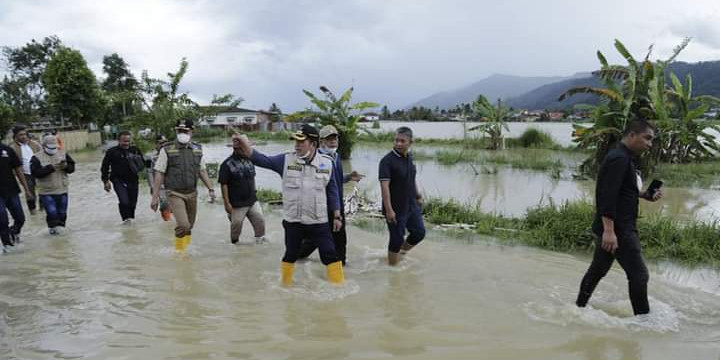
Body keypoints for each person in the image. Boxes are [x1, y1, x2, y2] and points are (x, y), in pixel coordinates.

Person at [235, 124, 345, 285]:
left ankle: (339, 288)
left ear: (313, 144)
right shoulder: (286, 160)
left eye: (301, 141)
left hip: (318, 221)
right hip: (294, 221)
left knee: (330, 254)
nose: (297, 145)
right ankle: (286, 288)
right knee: (291, 254)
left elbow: (332, 190)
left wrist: (336, 215)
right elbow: (261, 159)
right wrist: (244, 143)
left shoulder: (327, 163)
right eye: (295, 141)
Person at [576, 120, 663, 316]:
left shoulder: (624, 157)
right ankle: (644, 322)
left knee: (598, 270)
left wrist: (646, 195)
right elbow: (607, 195)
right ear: (632, 135)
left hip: (616, 228)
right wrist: (609, 231)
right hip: (619, 229)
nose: (650, 144)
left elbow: (624, 190)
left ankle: (578, 309)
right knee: (639, 275)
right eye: (647, 138)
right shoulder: (619, 159)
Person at [298, 125, 363, 265]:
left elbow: (334, 181)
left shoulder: (336, 157)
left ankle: (341, 265)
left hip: (337, 207)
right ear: (321, 142)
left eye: (335, 138)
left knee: (339, 239)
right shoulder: (318, 159)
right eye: (329, 139)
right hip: (322, 208)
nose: (333, 141)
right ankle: (295, 256)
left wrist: (348, 177)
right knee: (315, 240)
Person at [150, 119, 215, 252]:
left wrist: (211, 189)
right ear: (176, 131)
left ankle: (186, 251)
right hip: (174, 193)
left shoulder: (197, 149)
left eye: (185, 131)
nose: (182, 133)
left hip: (192, 192)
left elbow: (202, 171)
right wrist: (155, 196)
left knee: (189, 226)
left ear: (192, 132)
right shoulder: (167, 149)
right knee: (183, 225)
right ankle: (179, 252)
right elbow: (159, 173)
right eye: (179, 130)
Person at [379, 126, 426, 266]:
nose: (398, 144)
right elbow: (384, 187)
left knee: (419, 233)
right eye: (396, 140)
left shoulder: (409, 158)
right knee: (397, 238)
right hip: (395, 207)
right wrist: (389, 209)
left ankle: (401, 253)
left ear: (410, 142)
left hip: (411, 204)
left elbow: (411, 178)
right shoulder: (387, 161)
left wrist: (417, 196)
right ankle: (392, 268)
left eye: (402, 141)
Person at [219, 133, 266, 244]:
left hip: (252, 200)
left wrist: (255, 191)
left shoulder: (250, 161)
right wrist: (227, 203)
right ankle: (234, 244)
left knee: (260, 220)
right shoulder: (226, 164)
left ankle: (260, 242)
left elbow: (252, 177)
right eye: (241, 148)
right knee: (236, 225)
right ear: (236, 149)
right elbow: (223, 184)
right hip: (237, 203)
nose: (244, 150)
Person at [31, 134, 76, 235]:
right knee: (52, 212)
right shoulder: (36, 158)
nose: (53, 149)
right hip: (46, 191)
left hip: (62, 189)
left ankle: (60, 234)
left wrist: (66, 166)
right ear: (43, 146)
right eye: (50, 147)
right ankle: (53, 230)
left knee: (62, 213)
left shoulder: (63, 154)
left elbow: (72, 169)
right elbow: (35, 173)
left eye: (54, 147)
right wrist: (49, 168)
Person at [101, 130, 145, 223]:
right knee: (124, 201)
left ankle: (131, 220)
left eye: (128, 141)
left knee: (133, 203)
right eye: (124, 141)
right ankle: (126, 220)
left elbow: (142, 165)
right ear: (119, 140)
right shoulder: (111, 152)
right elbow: (104, 167)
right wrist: (105, 181)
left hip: (133, 180)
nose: (126, 143)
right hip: (118, 180)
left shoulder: (135, 150)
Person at [0, 142, 32, 251]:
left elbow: (18, 170)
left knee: (20, 218)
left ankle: (13, 233)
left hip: (12, 190)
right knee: (2, 220)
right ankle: (7, 245)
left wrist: (26, 189)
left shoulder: (7, 150)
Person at [10, 125, 42, 214]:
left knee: (43, 192)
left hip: (38, 172)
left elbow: (43, 157)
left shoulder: (35, 144)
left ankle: (43, 211)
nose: (23, 136)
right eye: (21, 135)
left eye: (25, 134)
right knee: (30, 194)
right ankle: (33, 213)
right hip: (25, 174)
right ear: (16, 136)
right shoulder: (12, 148)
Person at [146, 135, 171, 221]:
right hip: (160, 187)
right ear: (156, 144)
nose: (163, 145)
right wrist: (152, 187)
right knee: (164, 205)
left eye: (165, 142)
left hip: (173, 185)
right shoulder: (151, 157)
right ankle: (168, 223)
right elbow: (149, 173)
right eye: (161, 143)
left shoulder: (172, 153)